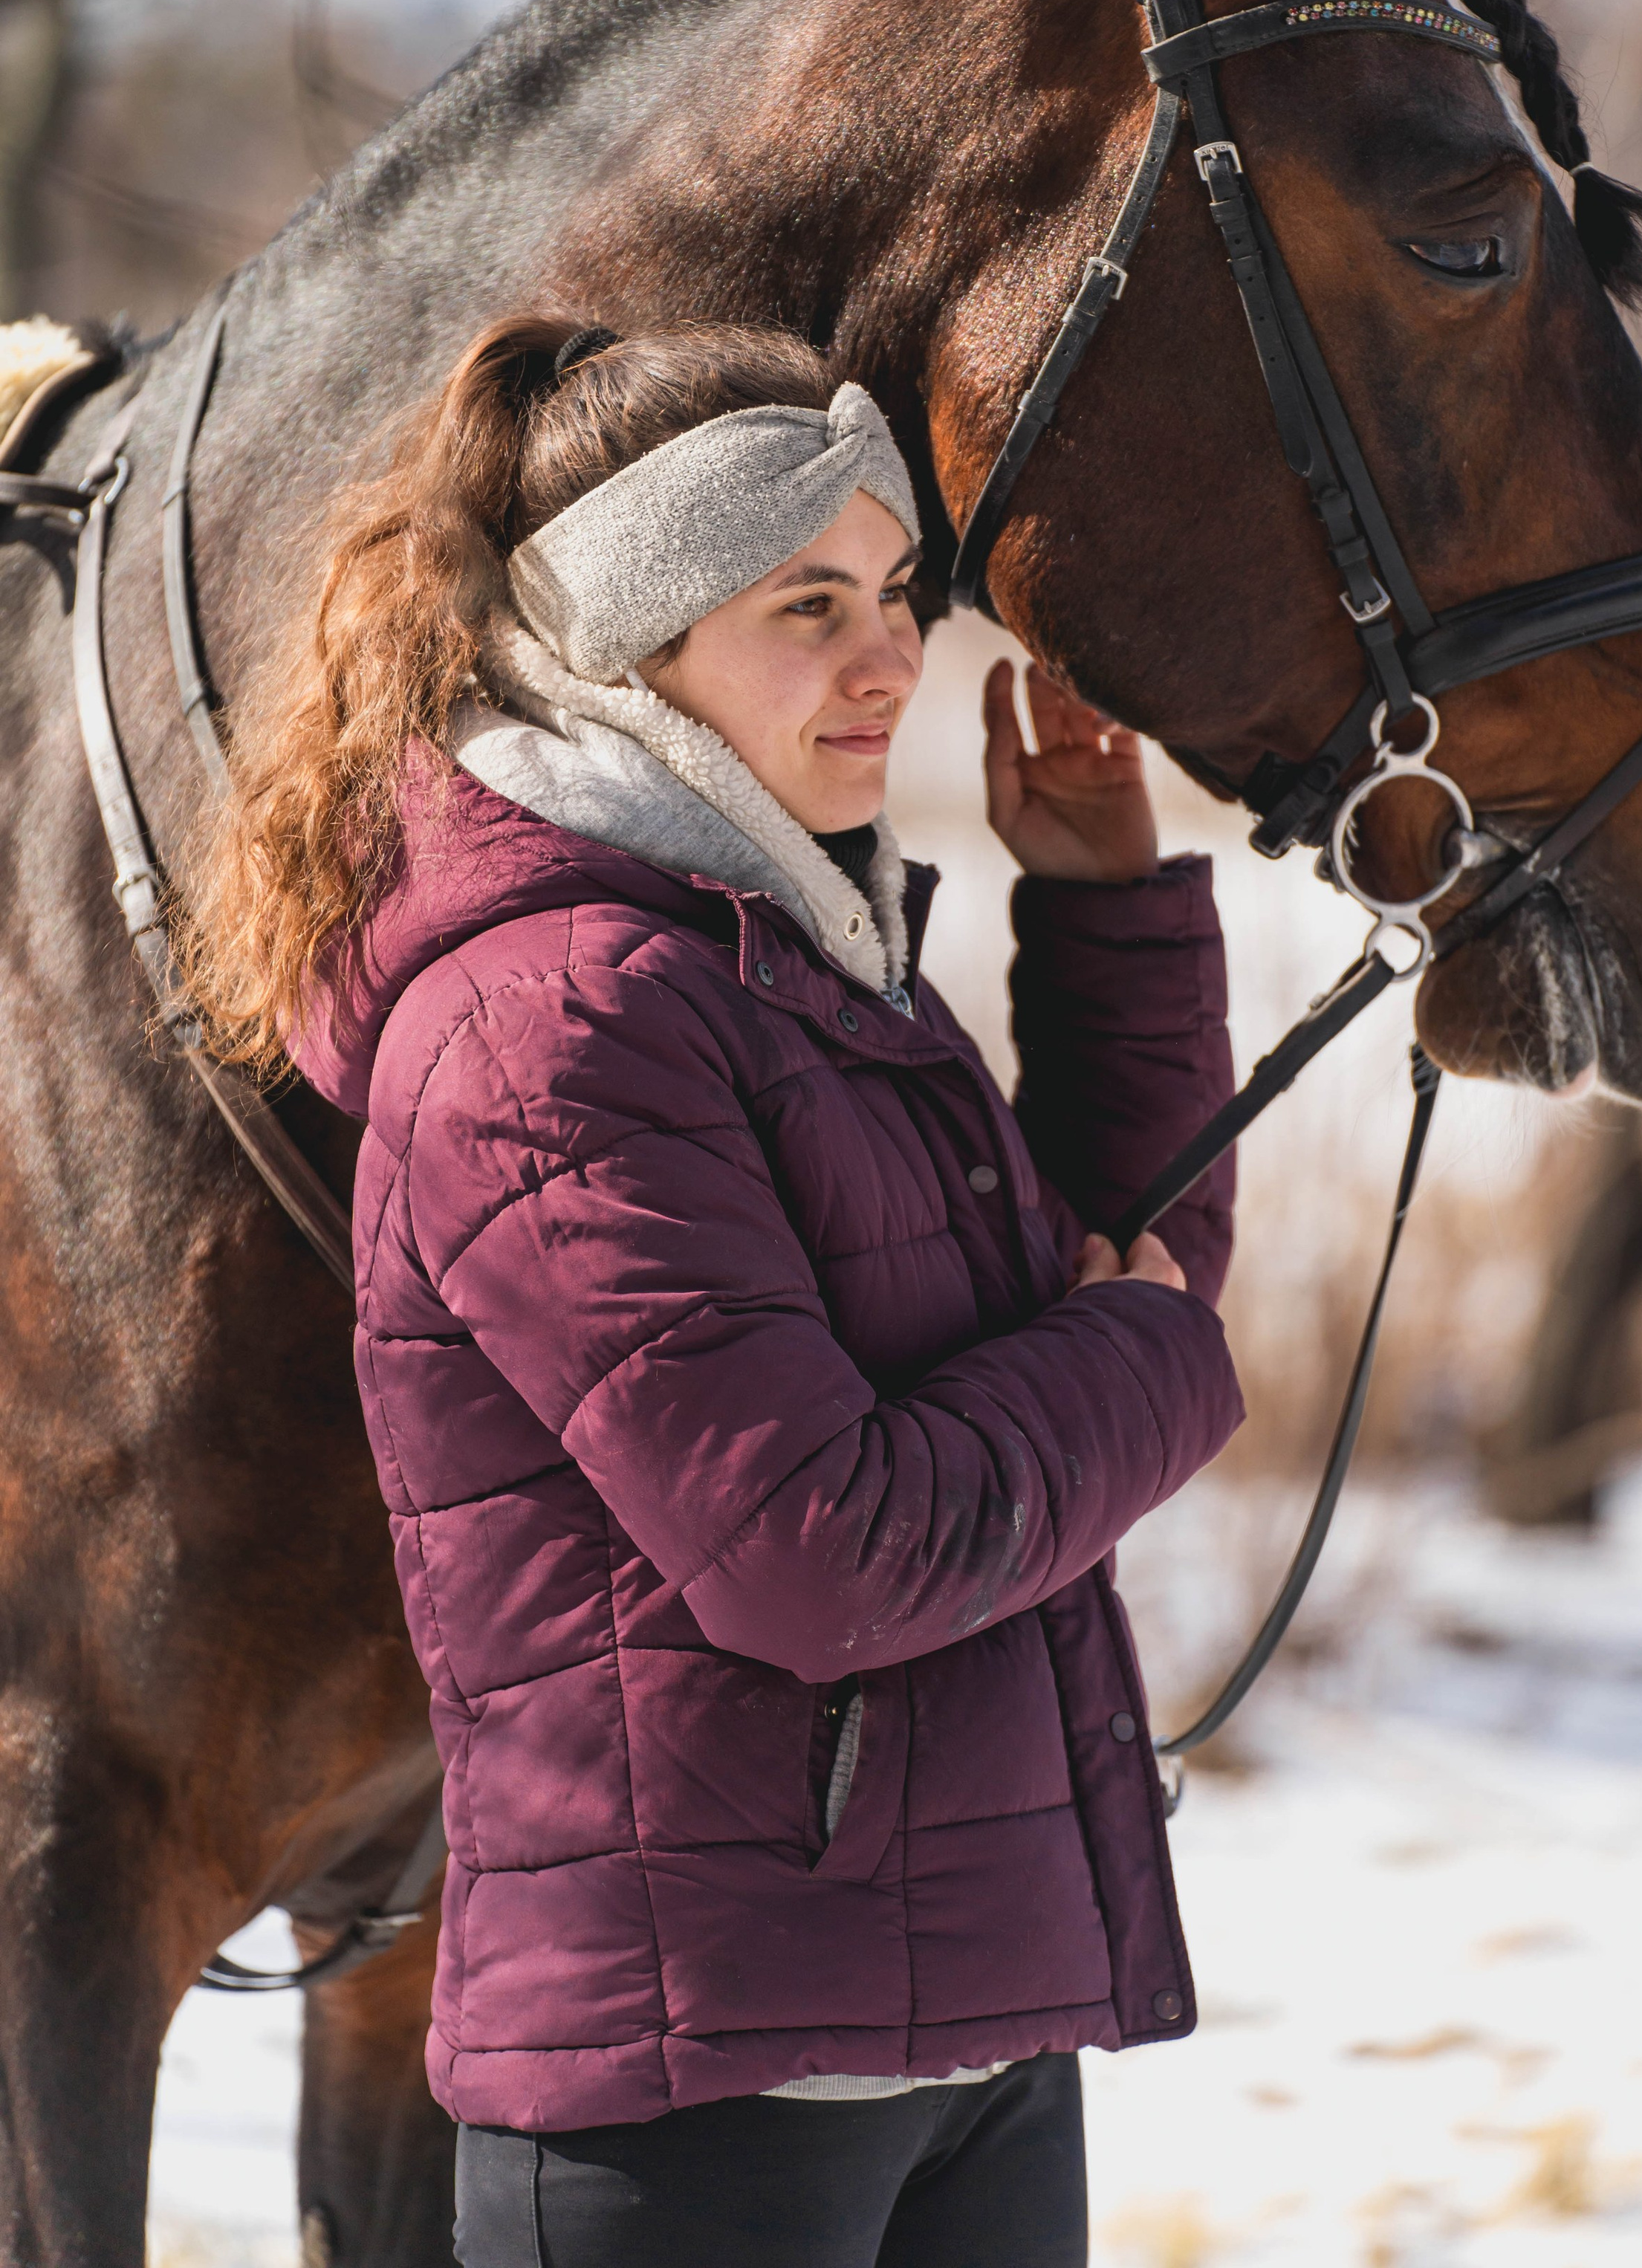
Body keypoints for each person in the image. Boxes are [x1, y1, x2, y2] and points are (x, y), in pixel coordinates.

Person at [186, 315, 1244, 2268]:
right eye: (803, 603)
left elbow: (1104, 1272)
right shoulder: (552, 1028)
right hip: (700, 2084)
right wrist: (1159, 1355)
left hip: (966, 2027)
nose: (888, 657)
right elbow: (822, 1551)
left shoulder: (790, 952)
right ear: (632, 647)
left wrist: (1104, 909)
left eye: (898, 594)